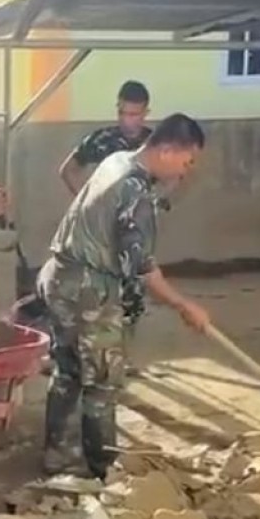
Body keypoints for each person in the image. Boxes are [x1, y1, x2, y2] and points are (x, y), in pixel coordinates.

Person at [39, 113, 212, 479]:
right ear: (166, 150)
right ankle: (104, 472)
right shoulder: (135, 193)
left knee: (68, 372)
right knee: (101, 382)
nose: (187, 169)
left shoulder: (116, 161)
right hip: (88, 291)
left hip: (58, 278)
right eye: (187, 159)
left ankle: (56, 453)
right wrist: (184, 305)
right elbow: (142, 268)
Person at [58, 80, 160, 377]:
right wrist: (87, 203)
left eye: (136, 114)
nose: (129, 121)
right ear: (118, 110)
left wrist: (159, 201)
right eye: (124, 113)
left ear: (146, 113)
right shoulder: (102, 140)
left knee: (134, 296)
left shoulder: (153, 145)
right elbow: (67, 169)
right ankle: (93, 359)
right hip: (103, 238)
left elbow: (175, 176)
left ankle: (123, 359)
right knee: (100, 296)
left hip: (137, 235)